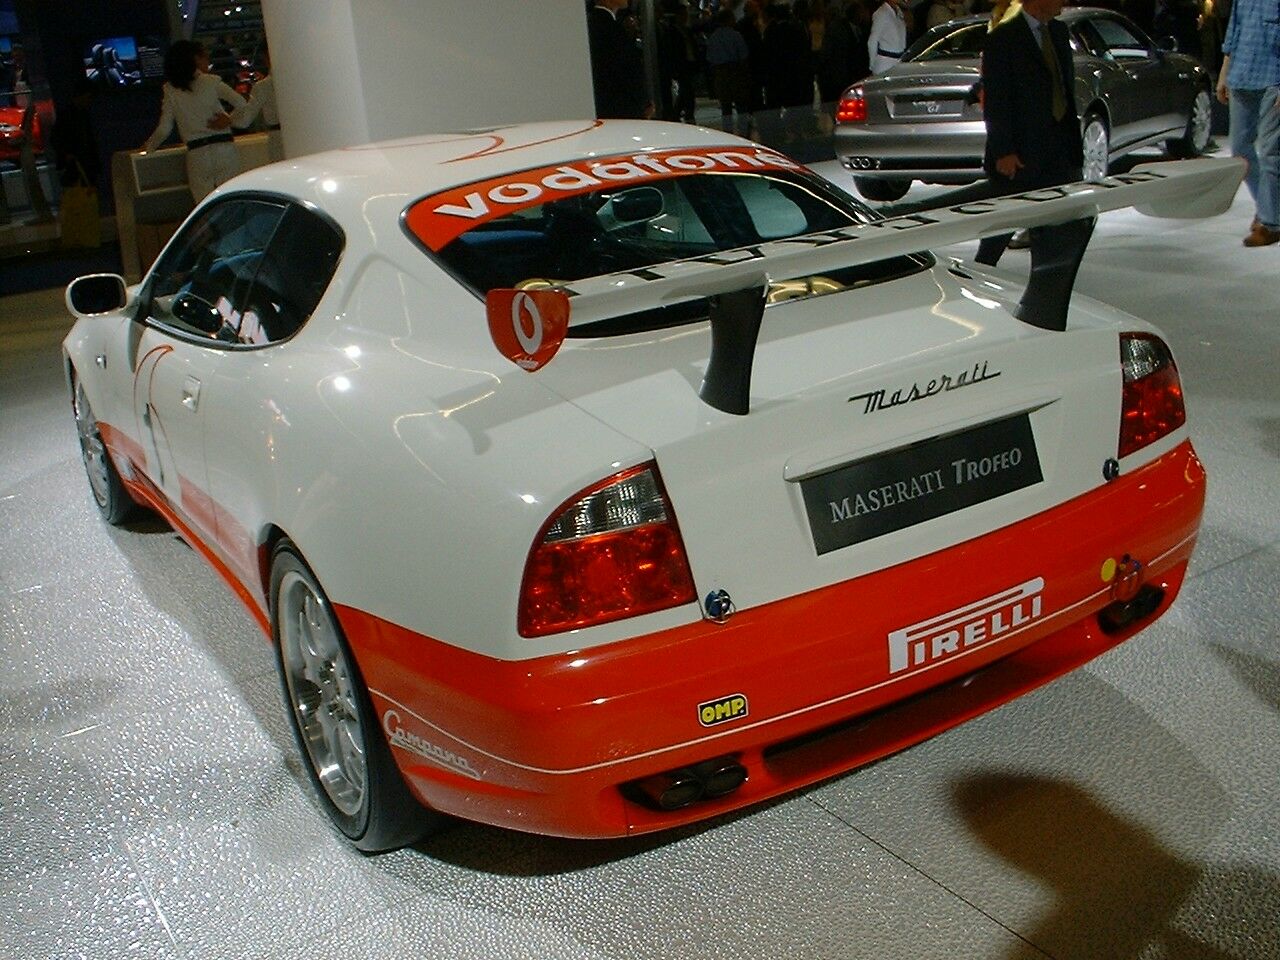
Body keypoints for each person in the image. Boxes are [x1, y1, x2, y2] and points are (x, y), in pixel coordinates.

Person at [975, 0, 1082, 265]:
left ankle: (1045, 286)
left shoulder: (1058, 32)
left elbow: (1063, 88)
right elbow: (997, 100)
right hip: (1020, 155)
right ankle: (974, 280)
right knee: (1000, 229)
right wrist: (1003, 151)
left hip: (1058, 149)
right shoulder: (1003, 37)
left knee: (1052, 231)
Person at [141, 40, 249, 202]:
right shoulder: (211, 82)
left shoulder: (171, 89)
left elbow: (164, 128)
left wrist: (148, 148)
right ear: (195, 59)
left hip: (197, 155)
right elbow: (241, 103)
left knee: (204, 207)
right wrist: (229, 119)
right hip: (224, 149)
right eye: (204, 57)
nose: (208, 61)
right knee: (233, 202)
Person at [1216, 0, 1279, 247]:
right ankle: (1268, 207)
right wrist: (1224, 74)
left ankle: (1270, 222)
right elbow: (1234, 33)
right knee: (1240, 151)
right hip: (1241, 75)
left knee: (1271, 153)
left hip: (1273, 77)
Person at [587, 0, 652, 119]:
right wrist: (644, 101)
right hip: (622, 107)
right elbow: (628, 69)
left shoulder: (594, 24)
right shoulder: (610, 28)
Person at [706, 9, 753, 133]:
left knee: (725, 108)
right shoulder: (736, 35)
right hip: (735, 71)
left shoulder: (713, 37)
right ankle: (744, 132)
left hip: (720, 73)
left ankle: (728, 132)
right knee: (741, 106)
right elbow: (744, 56)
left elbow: (710, 58)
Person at [237, 47, 282, 162]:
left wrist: (230, 118)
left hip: (277, 138)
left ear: (265, 58)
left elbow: (244, 120)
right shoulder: (297, 82)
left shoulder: (262, 87)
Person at [867, 0, 908, 75]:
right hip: (884, 63)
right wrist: (872, 64)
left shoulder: (899, 12)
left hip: (898, 61)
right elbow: (872, 41)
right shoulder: (881, 13)